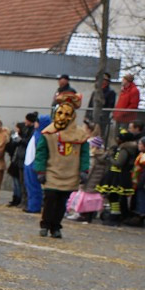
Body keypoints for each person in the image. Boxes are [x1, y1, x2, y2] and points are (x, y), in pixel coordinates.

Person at [33, 92, 90, 238]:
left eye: (66, 114)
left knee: (61, 202)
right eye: (60, 113)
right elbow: (41, 153)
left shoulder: (80, 135)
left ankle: (56, 227)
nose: (62, 117)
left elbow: (84, 153)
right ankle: (45, 225)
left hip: (70, 173)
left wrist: (84, 169)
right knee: (50, 198)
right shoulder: (48, 133)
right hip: (52, 172)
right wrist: (40, 170)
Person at [97, 125, 141, 225]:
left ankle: (115, 215)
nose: (116, 139)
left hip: (118, 176)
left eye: (118, 138)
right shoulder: (119, 148)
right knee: (112, 196)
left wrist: (111, 157)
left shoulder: (124, 150)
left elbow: (119, 163)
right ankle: (114, 213)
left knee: (114, 196)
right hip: (113, 174)